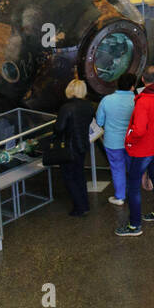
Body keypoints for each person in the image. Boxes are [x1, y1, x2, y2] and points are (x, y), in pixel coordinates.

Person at [117, 65, 154, 237]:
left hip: (143, 150)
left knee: (133, 185)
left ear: (142, 80)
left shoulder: (143, 101)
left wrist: (129, 137)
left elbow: (139, 130)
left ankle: (134, 226)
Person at [56, 78, 97, 217]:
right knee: (80, 175)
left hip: (69, 146)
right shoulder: (88, 106)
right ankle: (85, 204)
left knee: (69, 177)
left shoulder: (66, 107)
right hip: (83, 145)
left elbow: (59, 128)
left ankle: (79, 207)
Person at [95, 72, 136, 206]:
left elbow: (99, 122)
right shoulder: (136, 100)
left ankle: (119, 196)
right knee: (133, 167)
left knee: (117, 168)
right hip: (132, 141)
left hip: (112, 142)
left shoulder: (107, 100)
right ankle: (134, 193)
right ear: (132, 87)